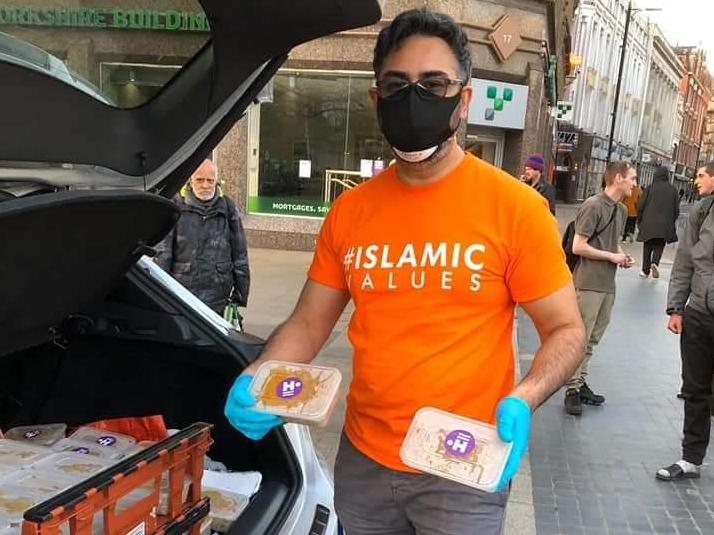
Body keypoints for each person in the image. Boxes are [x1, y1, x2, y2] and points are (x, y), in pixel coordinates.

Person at [224, 9, 585, 535]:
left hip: (463, 463)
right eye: (397, 85)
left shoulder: (515, 209)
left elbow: (567, 329)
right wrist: (259, 377)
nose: (413, 99)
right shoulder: (350, 211)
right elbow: (307, 324)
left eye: (433, 84)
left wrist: (525, 398)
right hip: (365, 462)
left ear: (463, 100)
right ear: (375, 100)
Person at [563, 161, 637, 415]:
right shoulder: (593, 205)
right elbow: (578, 246)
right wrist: (610, 257)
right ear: (618, 178)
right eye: (632, 178)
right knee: (580, 338)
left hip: (608, 284)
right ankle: (571, 389)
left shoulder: (621, 210)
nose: (634, 184)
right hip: (588, 282)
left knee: (592, 339)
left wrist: (622, 256)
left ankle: (580, 382)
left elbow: (612, 243)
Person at [657, 162, 714, 481]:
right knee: (694, 388)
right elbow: (684, 260)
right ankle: (691, 458)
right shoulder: (703, 211)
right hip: (699, 314)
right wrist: (676, 308)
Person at [155, 159, 250, 316]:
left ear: (216, 182)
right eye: (200, 180)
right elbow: (163, 254)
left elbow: (240, 253)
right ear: (191, 181)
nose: (205, 185)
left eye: (210, 181)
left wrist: (241, 293)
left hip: (218, 294)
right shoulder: (176, 207)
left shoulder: (228, 207)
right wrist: (161, 294)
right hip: (183, 293)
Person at [636, 165, 679, 279]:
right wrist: (671, 221)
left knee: (647, 245)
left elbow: (640, 206)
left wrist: (640, 221)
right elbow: (676, 210)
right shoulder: (673, 190)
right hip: (665, 225)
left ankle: (645, 270)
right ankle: (655, 263)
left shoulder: (650, 188)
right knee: (659, 245)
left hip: (648, 223)